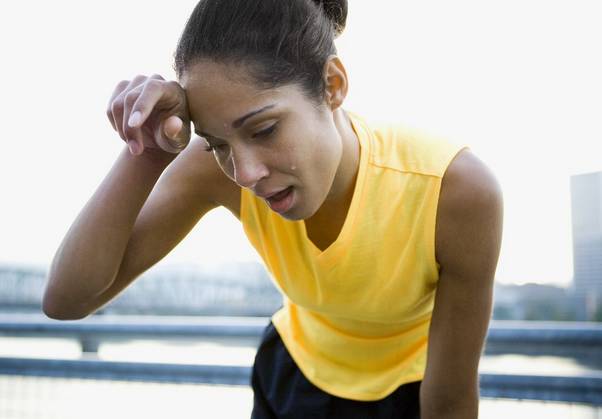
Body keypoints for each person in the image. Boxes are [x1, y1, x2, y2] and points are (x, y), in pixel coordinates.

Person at [43, 0, 504, 418]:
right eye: (217, 143)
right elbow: (67, 300)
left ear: (333, 85)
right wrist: (147, 150)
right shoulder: (213, 171)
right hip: (290, 379)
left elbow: (449, 402)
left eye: (263, 130)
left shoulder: (455, 193)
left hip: (409, 393)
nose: (244, 174)